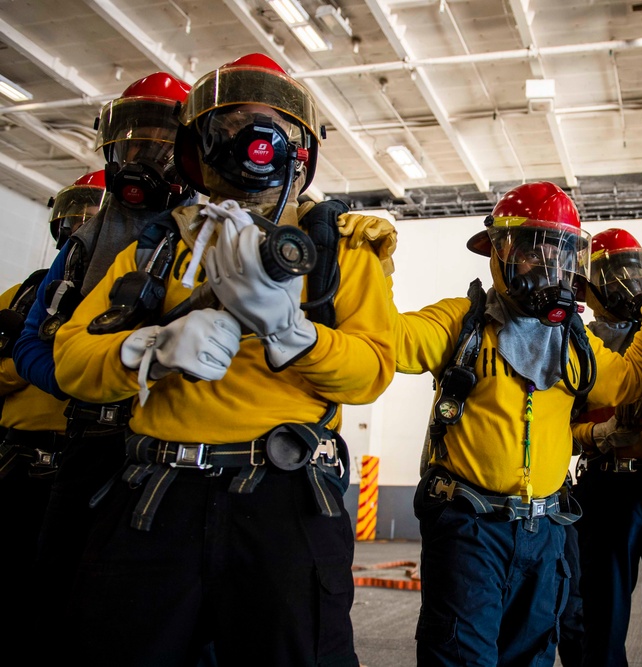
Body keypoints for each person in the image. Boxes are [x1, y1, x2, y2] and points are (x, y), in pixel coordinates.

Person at [51, 53, 394, 667]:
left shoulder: (341, 253)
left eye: (276, 129)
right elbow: (71, 359)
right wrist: (149, 350)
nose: (255, 143)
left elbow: (372, 370)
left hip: (285, 503)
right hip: (154, 500)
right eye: (233, 124)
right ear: (199, 146)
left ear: (300, 150)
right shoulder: (155, 248)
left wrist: (296, 333)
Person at [387, 181, 642, 666]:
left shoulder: (575, 342)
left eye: (561, 253)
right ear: (499, 253)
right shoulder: (462, 324)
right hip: (470, 527)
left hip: (546, 531)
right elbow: (389, 340)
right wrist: (368, 268)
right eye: (532, 251)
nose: (548, 266)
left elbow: (629, 381)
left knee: (533, 654)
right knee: (461, 654)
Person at [14, 72, 195, 591]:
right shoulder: (85, 243)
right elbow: (32, 342)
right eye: (134, 142)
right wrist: (84, 380)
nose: (144, 158)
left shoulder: (209, 233)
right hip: (91, 438)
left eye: (161, 146)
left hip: (173, 445)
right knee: (59, 585)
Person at [0, 170, 106, 653]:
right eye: (73, 210)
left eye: (92, 211)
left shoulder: (124, 284)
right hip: (17, 462)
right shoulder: (25, 293)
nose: (79, 222)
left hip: (93, 457)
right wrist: (29, 354)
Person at [570, 228, 642, 666]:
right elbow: (558, 425)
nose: (629, 281)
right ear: (587, 284)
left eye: (635, 270)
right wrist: (597, 436)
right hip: (604, 485)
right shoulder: (577, 341)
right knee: (599, 614)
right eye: (616, 272)